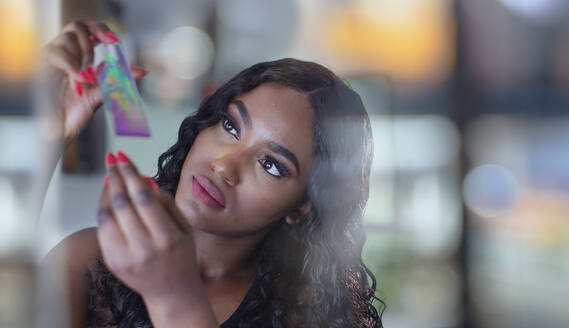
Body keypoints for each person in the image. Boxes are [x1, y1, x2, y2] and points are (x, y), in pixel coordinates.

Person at [41, 21, 384, 328]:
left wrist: (173, 299)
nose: (224, 165)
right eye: (232, 126)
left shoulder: (307, 316)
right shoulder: (86, 261)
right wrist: (44, 138)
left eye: (271, 165)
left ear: (302, 206)